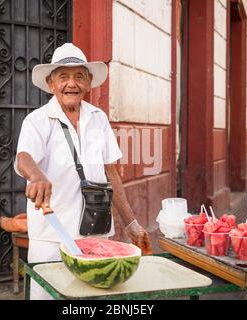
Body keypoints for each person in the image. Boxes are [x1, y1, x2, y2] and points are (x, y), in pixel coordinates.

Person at [15, 43, 152, 299]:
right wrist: (36, 175)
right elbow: (24, 157)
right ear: (51, 82)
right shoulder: (37, 120)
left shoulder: (98, 118)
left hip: (98, 236)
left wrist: (131, 224)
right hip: (51, 239)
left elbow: (111, 173)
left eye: (79, 76)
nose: (72, 84)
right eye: (63, 76)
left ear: (88, 83)